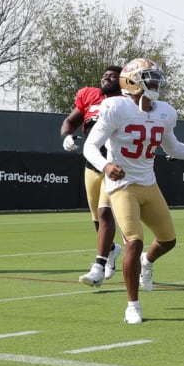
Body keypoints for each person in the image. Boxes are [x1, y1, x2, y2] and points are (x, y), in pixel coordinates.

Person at [84, 58, 184, 324]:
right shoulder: (115, 106)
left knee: (168, 241)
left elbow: (174, 149)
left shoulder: (164, 111)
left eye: (155, 77)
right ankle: (132, 305)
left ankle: (148, 261)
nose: (155, 82)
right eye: (148, 77)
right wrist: (106, 165)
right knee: (134, 240)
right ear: (131, 81)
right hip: (123, 186)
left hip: (148, 182)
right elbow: (90, 146)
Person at [60, 65, 126, 286]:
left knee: (105, 214)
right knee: (96, 218)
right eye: (105, 75)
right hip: (92, 162)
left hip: (115, 163)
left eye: (113, 76)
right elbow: (70, 121)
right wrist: (66, 135)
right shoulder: (89, 95)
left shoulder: (127, 101)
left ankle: (98, 266)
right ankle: (112, 249)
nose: (107, 78)